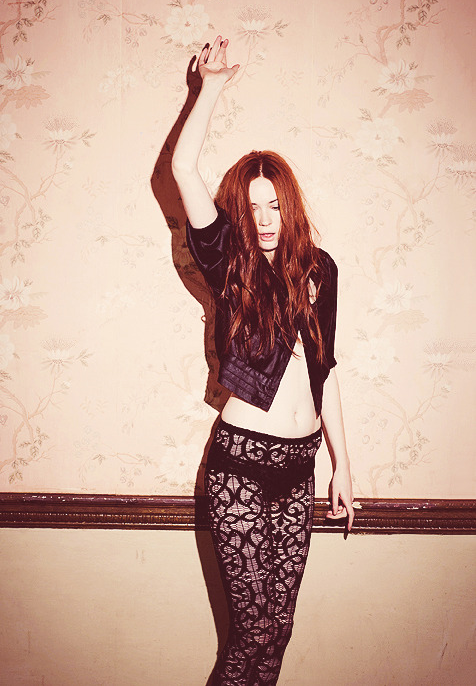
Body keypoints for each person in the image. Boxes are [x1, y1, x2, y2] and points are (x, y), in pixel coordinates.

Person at [171, 35, 354, 686]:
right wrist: (211, 89)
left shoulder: (320, 270)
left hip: (299, 471)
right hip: (241, 471)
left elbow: (325, 371)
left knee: (276, 636)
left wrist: (343, 464)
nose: (266, 218)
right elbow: (184, 170)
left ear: (290, 204)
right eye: (252, 208)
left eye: (274, 204)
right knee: (250, 636)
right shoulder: (229, 263)